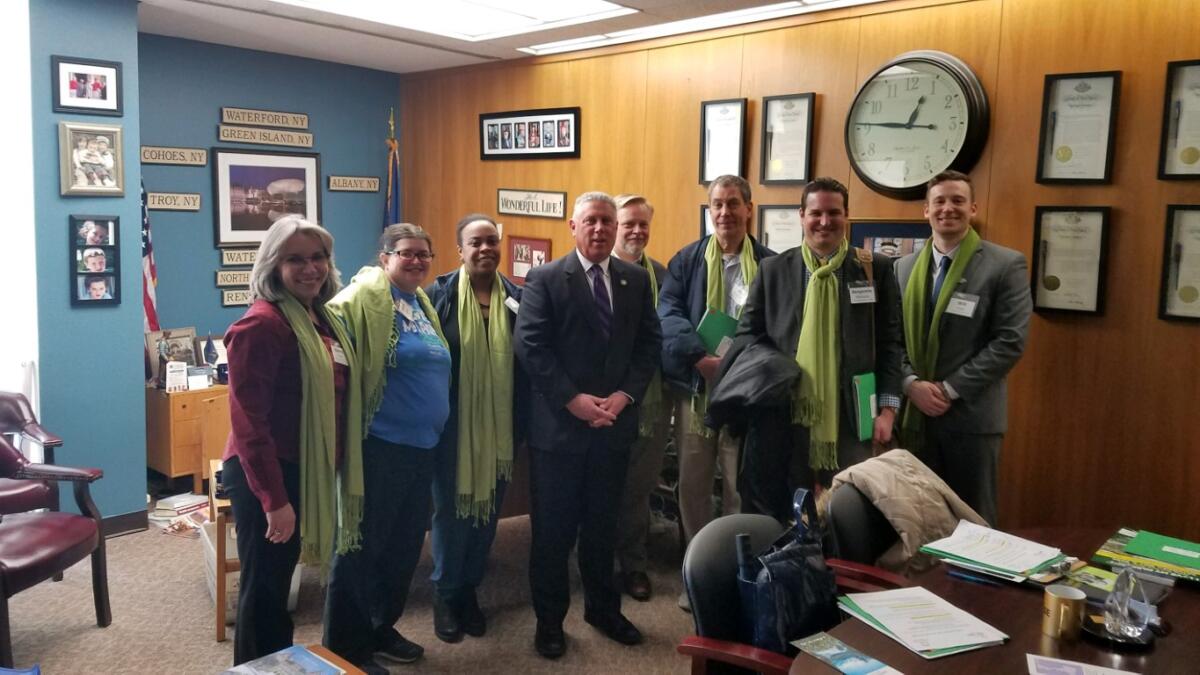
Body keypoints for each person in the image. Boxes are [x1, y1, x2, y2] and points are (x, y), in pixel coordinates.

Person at [514, 192, 661, 659]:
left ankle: (603, 610)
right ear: (573, 227)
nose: (599, 229)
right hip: (558, 433)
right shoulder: (545, 278)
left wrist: (625, 395)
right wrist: (572, 400)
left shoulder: (636, 280)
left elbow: (649, 345)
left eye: (607, 221)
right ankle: (550, 622)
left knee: (602, 529)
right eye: (591, 221)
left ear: (616, 228)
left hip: (612, 428)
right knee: (553, 535)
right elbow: (531, 346)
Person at [220, 216, 364, 665]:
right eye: (295, 259)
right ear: (273, 265)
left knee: (279, 584)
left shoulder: (319, 317)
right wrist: (274, 499)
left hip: (304, 466)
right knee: (265, 589)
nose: (310, 268)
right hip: (267, 472)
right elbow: (249, 424)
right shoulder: (261, 325)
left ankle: (278, 665)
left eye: (318, 257)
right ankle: (255, 668)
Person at [728, 177, 903, 520]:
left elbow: (890, 343)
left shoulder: (874, 269)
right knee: (787, 505)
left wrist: (887, 411)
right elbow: (748, 335)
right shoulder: (773, 269)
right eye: (816, 213)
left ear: (846, 215)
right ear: (801, 216)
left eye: (833, 213)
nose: (825, 221)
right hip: (787, 412)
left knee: (849, 509)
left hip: (852, 415)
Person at [323, 223, 451, 673]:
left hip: (422, 449)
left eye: (423, 254)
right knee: (360, 549)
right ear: (384, 258)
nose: (416, 260)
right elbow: (332, 351)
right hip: (379, 448)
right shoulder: (362, 300)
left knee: (402, 550)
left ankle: (380, 628)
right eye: (405, 253)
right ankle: (345, 649)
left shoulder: (421, 304)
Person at [658, 174, 773, 607]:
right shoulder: (686, 261)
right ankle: (699, 570)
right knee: (694, 481)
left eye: (733, 204)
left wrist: (745, 365)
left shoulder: (769, 264)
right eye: (717, 205)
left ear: (749, 209)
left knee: (739, 485)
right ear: (710, 211)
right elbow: (668, 313)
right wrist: (698, 358)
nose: (725, 212)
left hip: (746, 393)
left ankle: (736, 571)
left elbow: (779, 323)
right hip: (697, 388)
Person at [895, 171, 1032, 526]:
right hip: (914, 419)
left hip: (971, 421)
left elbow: (1009, 341)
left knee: (973, 524)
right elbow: (891, 338)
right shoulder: (902, 268)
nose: (948, 208)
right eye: (939, 201)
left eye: (957, 200)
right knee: (916, 521)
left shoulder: (1005, 265)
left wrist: (948, 389)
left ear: (972, 208)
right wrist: (910, 384)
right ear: (926, 210)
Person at [425, 213, 527, 643]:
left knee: (488, 513)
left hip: (502, 428)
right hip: (453, 428)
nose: (485, 249)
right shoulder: (438, 296)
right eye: (476, 242)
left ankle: (469, 590)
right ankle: (445, 594)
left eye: (491, 241)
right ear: (460, 251)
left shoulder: (519, 298)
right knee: (452, 513)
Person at [609, 194, 669, 602]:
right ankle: (596, 562)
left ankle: (633, 564)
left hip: (651, 400)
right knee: (601, 485)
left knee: (638, 486)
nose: (636, 231)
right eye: (628, 223)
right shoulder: (594, 273)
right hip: (605, 400)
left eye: (642, 224)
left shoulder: (663, 275)